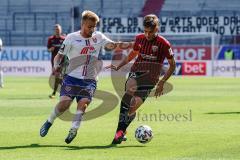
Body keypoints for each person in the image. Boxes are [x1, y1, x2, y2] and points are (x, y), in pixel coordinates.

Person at [40, 10, 129, 144]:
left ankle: (74, 129)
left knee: (83, 104)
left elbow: (111, 45)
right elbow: (59, 56)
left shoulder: (98, 36)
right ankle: (49, 121)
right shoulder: (71, 38)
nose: (92, 29)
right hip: (71, 78)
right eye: (89, 26)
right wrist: (55, 67)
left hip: (89, 79)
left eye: (94, 27)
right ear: (82, 24)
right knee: (64, 104)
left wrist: (129, 44)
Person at [106, 14, 176, 144]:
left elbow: (172, 65)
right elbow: (132, 55)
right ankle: (118, 133)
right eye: (145, 31)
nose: (147, 35)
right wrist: (118, 66)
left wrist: (162, 82)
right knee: (129, 90)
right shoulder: (139, 39)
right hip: (136, 72)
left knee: (132, 108)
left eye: (150, 32)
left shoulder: (164, 44)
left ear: (157, 29)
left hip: (150, 79)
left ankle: (122, 130)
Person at [47, 24, 65, 98]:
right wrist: (50, 49)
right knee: (58, 77)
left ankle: (55, 93)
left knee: (59, 76)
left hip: (63, 61)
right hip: (54, 61)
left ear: (61, 30)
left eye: (58, 29)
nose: (57, 31)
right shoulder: (51, 39)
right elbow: (48, 49)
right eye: (56, 29)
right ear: (54, 31)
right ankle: (61, 92)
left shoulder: (64, 39)